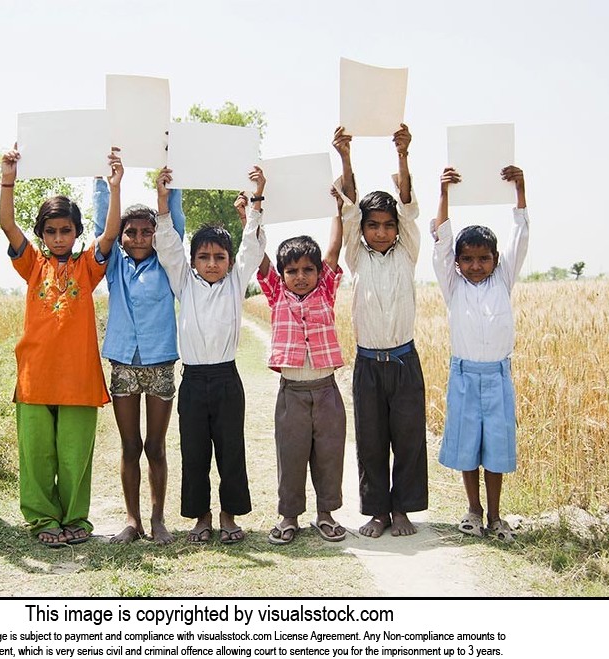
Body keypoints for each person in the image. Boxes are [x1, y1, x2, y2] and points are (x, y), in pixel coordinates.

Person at [0, 146, 122, 547]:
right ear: (41, 235)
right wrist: (8, 178)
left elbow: (111, 233)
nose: (57, 237)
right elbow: (5, 222)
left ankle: (74, 520)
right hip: (34, 377)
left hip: (79, 379)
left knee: (73, 459)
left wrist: (115, 188)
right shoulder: (32, 264)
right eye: (50, 231)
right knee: (37, 457)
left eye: (65, 230)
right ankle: (43, 520)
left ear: (76, 232)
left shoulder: (88, 267)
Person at [153, 167, 267, 545]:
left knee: (231, 449)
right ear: (194, 260)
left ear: (230, 262)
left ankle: (228, 516)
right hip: (194, 381)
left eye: (220, 256)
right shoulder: (184, 282)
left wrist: (257, 199)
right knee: (195, 451)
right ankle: (201, 518)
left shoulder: (235, 283)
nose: (213, 263)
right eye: (204, 257)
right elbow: (167, 243)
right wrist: (163, 199)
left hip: (226, 380)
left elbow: (253, 245)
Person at [334, 123, 427, 538]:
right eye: (374, 225)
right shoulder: (358, 257)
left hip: (404, 361)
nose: (382, 231)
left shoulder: (408, 253)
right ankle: (377, 512)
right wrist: (345, 157)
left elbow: (408, 209)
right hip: (368, 363)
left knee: (407, 439)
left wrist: (403, 155)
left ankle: (404, 509)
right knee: (371, 441)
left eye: (388, 225)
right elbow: (349, 210)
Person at [431, 165, 528, 543]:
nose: (475, 266)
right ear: (457, 262)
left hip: (498, 376)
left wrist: (520, 190)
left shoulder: (503, 279)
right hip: (464, 375)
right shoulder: (453, 286)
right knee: (468, 443)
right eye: (467, 259)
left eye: (483, 259)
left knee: (496, 447)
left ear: (496, 259)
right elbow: (441, 242)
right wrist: (444, 193)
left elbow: (521, 236)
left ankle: (497, 516)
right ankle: (473, 510)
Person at [91, 164, 186, 545]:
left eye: (147, 230)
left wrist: (171, 181)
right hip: (123, 364)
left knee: (155, 446)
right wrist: (103, 179)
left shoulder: (167, 263)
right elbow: (104, 222)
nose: (140, 237)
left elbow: (174, 223)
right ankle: (132, 521)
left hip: (160, 361)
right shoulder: (115, 263)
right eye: (132, 232)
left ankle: (158, 519)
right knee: (130, 445)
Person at [250, 182, 349, 545]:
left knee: (328, 454)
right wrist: (251, 215)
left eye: (308, 269)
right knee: (290, 456)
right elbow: (260, 256)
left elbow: (335, 247)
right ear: (282, 274)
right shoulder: (277, 293)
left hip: (326, 391)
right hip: (291, 393)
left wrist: (337, 210)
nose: (301, 276)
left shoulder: (326, 290)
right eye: (292, 271)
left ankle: (326, 514)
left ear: (319, 273)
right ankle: (288, 516)